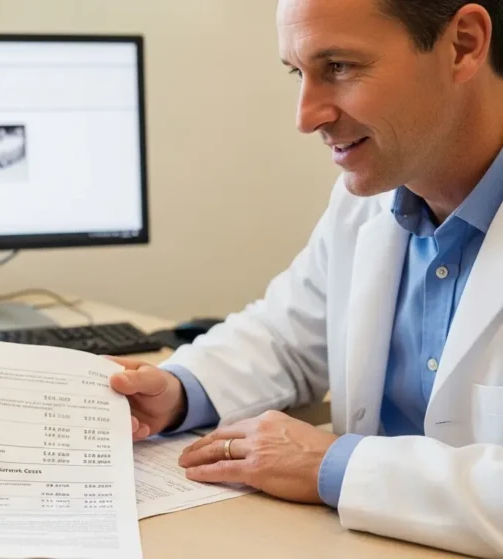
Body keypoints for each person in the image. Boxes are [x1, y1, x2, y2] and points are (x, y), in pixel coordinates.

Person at [110, 0, 503, 557]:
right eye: (298, 72)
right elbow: (287, 337)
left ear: (462, 43)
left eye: (339, 67)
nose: (306, 115)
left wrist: (331, 464)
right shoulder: (370, 201)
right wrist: (176, 392)